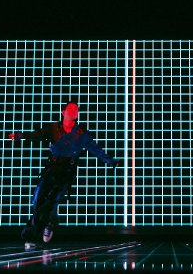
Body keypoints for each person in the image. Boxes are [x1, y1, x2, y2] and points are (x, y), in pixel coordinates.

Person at [9, 101, 118, 247]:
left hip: (66, 172)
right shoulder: (53, 128)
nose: (74, 111)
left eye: (76, 109)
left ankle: (31, 236)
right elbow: (37, 134)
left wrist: (110, 161)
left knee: (49, 202)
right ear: (63, 112)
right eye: (71, 108)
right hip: (51, 169)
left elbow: (95, 149)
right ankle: (50, 222)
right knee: (37, 200)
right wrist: (20, 135)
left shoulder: (80, 134)